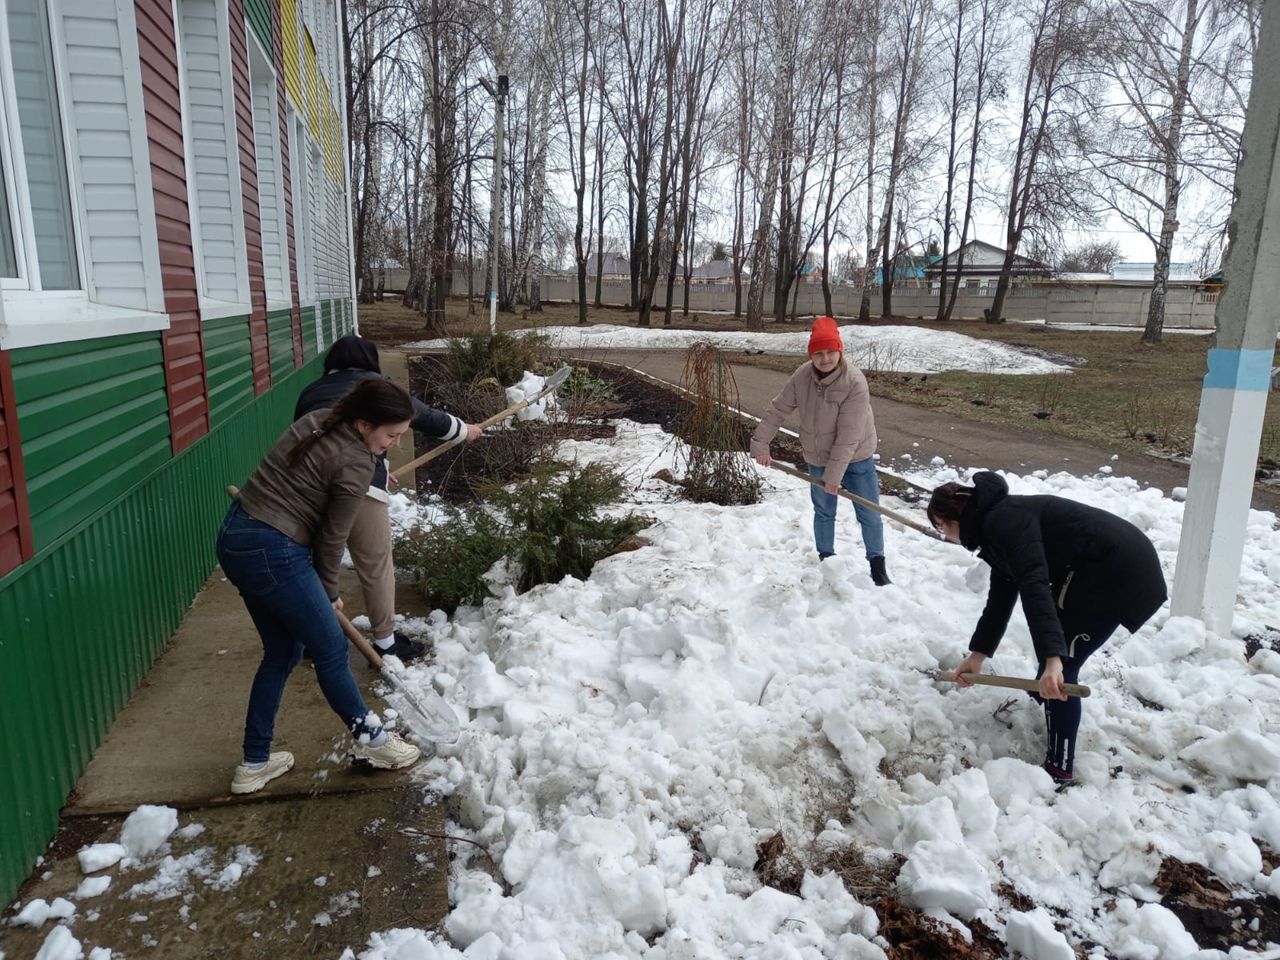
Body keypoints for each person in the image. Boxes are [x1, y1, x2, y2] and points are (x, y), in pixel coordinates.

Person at [218, 379, 425, 795]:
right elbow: (333, 539)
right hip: (275, 550)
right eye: (391, 435)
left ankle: (254, 762)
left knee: (283, 651)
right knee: (331, 648)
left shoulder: (317, 422)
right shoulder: (355, 464)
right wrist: (329, 591)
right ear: (365, 424)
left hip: (237, 537)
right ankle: (374, 742)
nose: (396, 445)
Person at [928, 471, 1167, 785]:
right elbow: (1002, 594)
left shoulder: (1004, 523)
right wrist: (978, 654)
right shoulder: (994, 524)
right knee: (1054, 660)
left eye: (941, 528)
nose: (945, 537)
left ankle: (1059, 769)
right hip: (1099, 571)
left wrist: (1053, 660)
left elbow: (1034, 586)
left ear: (953, 518)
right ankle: (1046, 707)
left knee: (1063, 668)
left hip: (1120, 573)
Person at [294, 335, 482, 662]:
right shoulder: (375, 388)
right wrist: (465, 430)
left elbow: (316, 440)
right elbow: (423, 416)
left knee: (318, 559)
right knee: (375, 562)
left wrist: (381, 466)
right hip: (358, 486)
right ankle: (385, 642)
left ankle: (317, 635)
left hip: (310, 486)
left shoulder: (311, 392)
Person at [750, 315, 890, 586]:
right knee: (824, 511)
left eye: (830, 352)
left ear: (840, 351)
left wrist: (833, 477)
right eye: (818, 353)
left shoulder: (855, 383)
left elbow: (849, 437)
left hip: (857, 457)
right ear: (811, 354)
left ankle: (877, 564)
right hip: (818, 457)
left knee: (869, 512)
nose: (825, 359)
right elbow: (778, 409)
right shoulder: (802, 376)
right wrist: (760, 443)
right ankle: (826, 558)